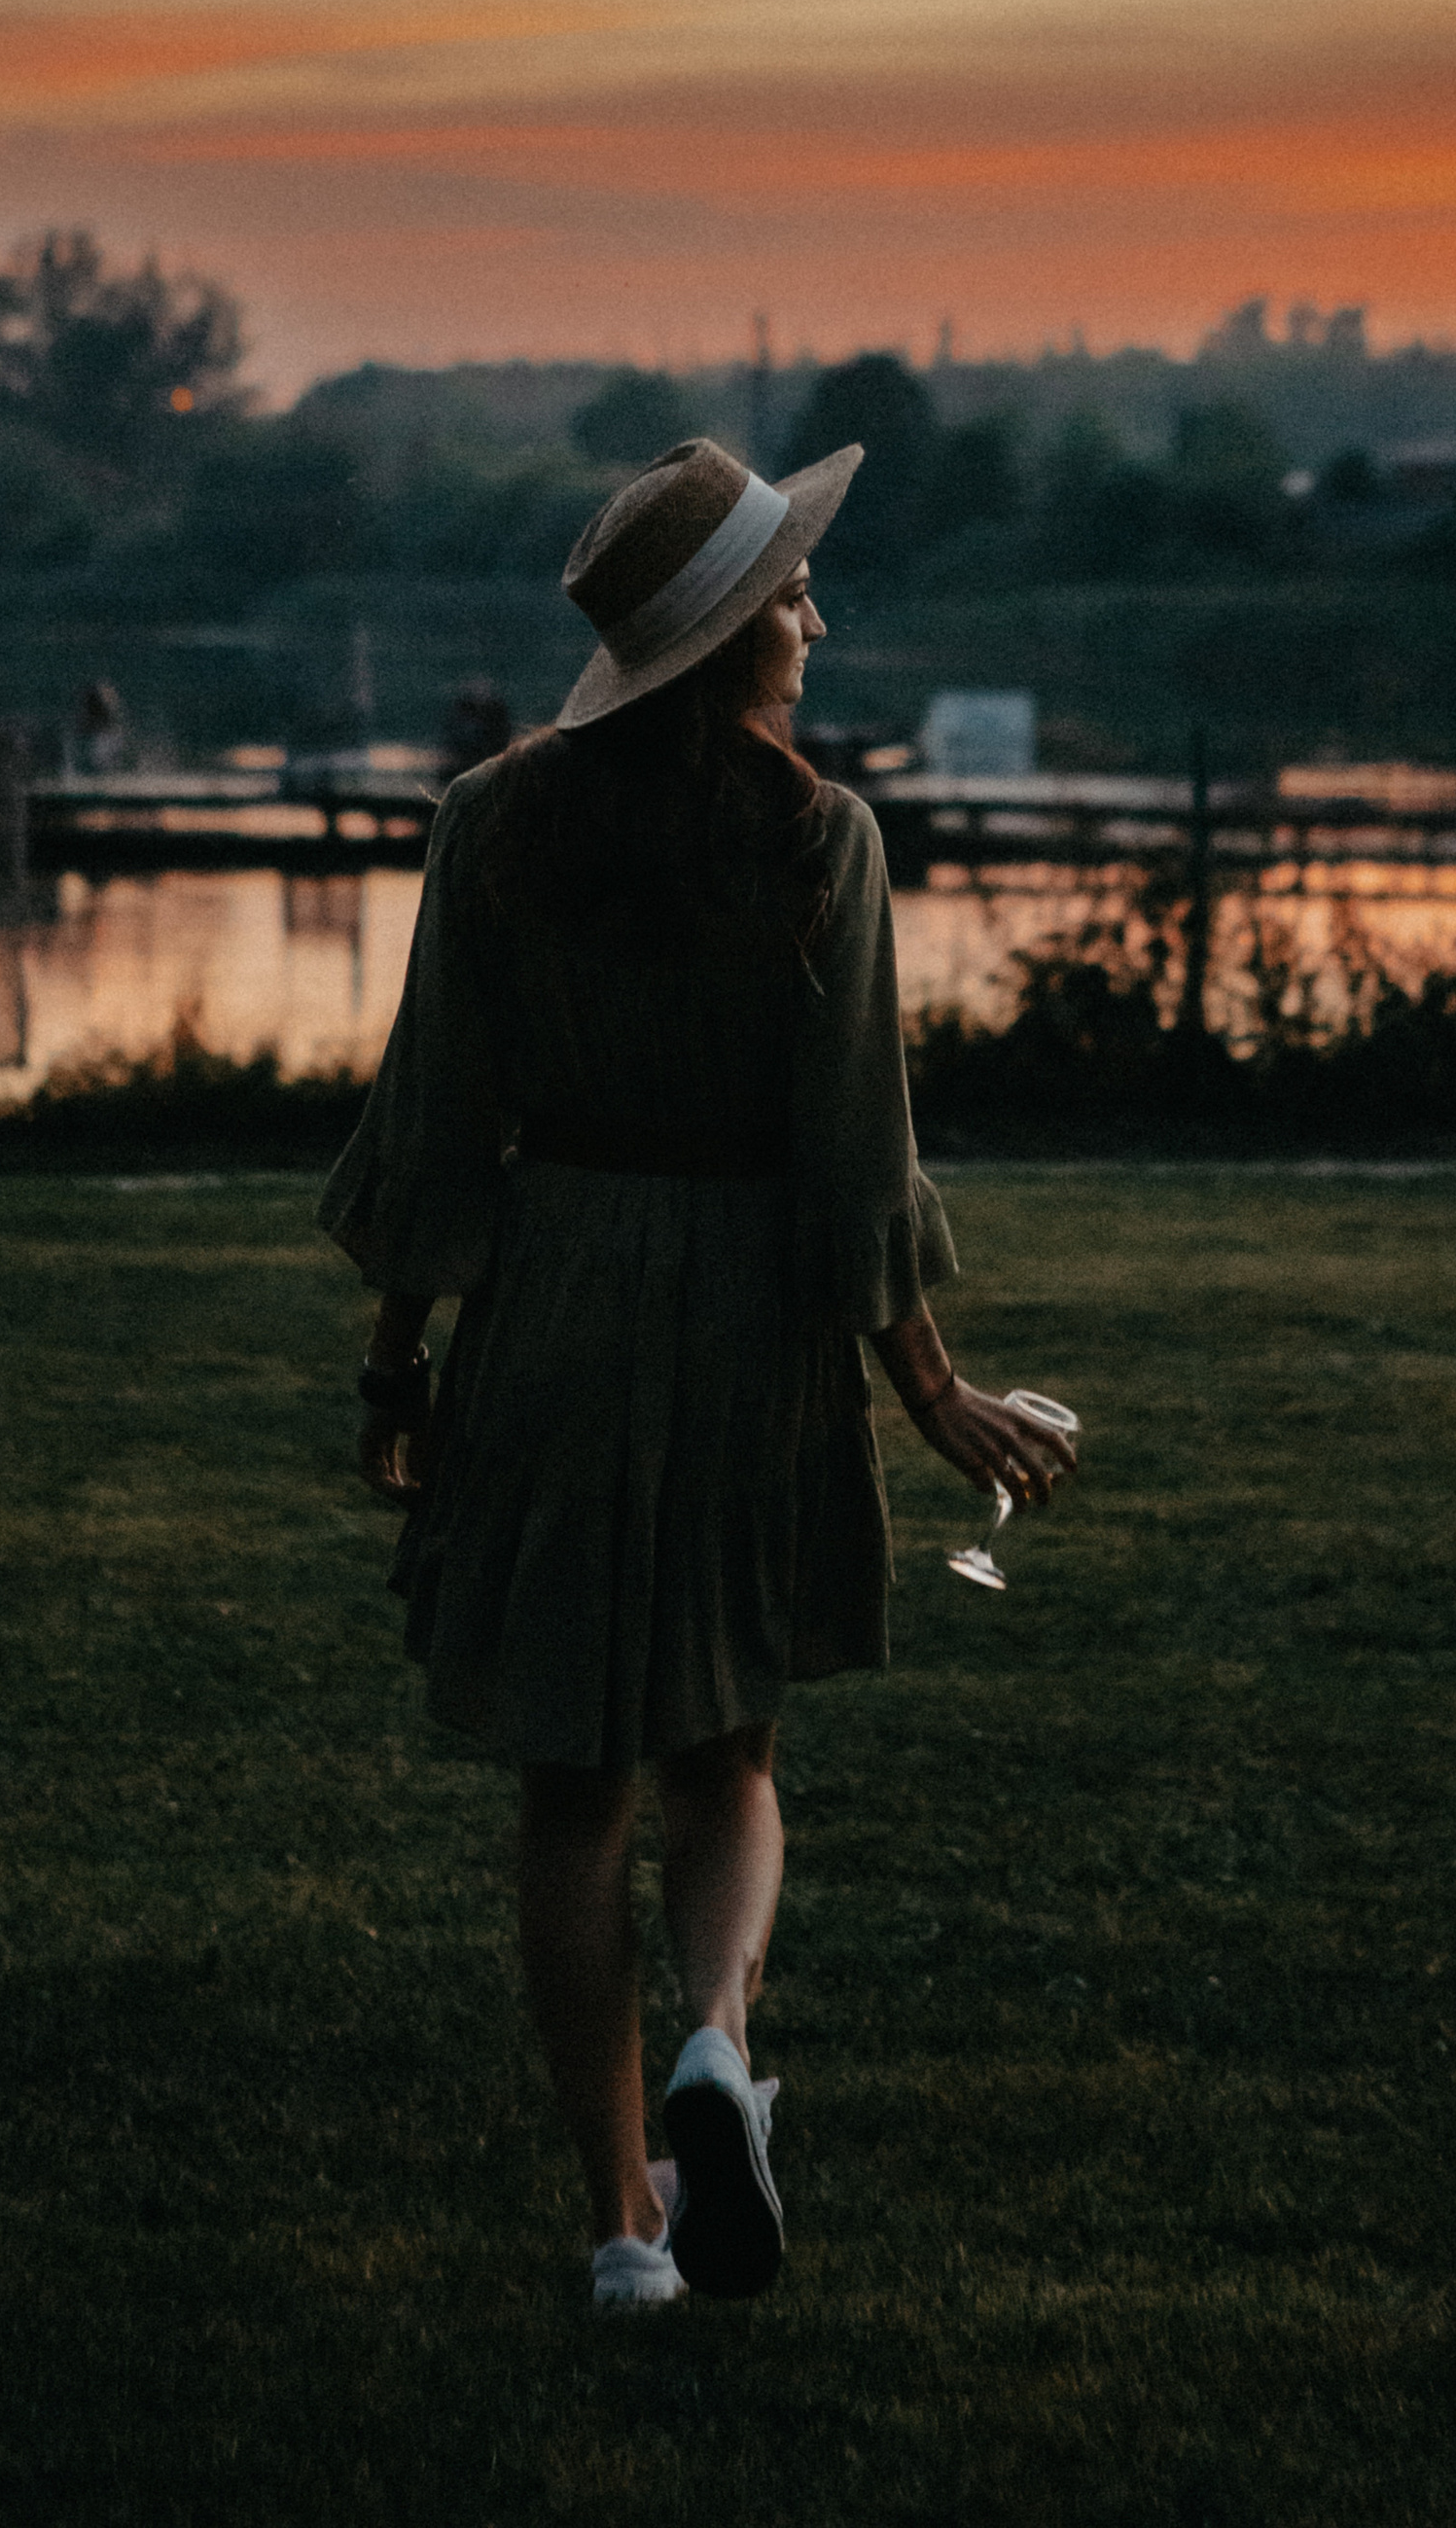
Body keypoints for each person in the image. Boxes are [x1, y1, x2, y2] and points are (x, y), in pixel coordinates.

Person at [319, 434, 1077, 2314]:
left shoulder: (492, 821)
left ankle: (620, 2235)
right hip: (750, 1318)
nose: (817, 615)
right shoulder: (823, 839)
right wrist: (934, 1394)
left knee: (570, 1786)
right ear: (736, 631)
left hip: (555, 1307)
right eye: (795, 589)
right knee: (728, 1746)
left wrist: (397, 1373)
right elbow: (853, 1160)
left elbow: (434, 1128)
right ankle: (718, 2055)